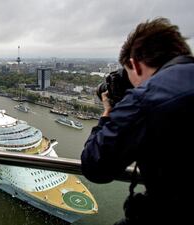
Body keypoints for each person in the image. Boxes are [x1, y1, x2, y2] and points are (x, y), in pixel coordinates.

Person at [81, 17, 194, 225]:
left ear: (134, 64)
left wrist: (108, 112)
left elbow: (95, 166)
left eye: (127, 75)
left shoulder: (147, 97)